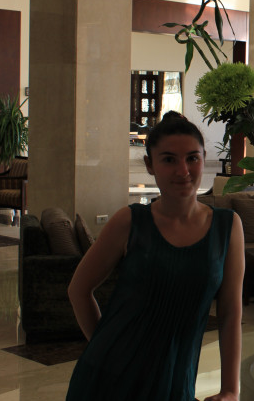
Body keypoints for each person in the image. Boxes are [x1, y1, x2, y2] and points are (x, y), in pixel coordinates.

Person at [66, 111, 244, 401]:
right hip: (106, 384)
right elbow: (78, 290)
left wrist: (231, 389)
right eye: (169, 159)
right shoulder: (130, 222)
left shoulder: (228, 227)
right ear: (150, 165)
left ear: (204, 158)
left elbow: (230, 313)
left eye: (192, 158)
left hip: (175, 382)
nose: (183, 171)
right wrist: (106, 351)